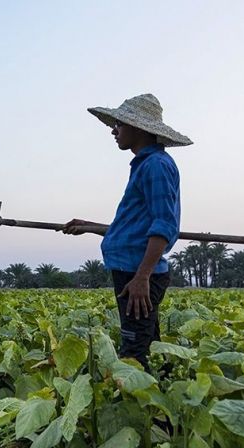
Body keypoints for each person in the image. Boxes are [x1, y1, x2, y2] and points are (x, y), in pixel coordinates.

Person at [63, 94, 191, 370]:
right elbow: (133, 230)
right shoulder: (146, 165)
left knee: (134, 354)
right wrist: (88, 226)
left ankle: (146, 410)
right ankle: (159, 406)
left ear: (139, 128)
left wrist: (142, 276)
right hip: (133, 271)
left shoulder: (156, 166)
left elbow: (164, 225)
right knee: (148, 347)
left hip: (138, 273)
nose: (113, 130)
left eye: (119, 124)